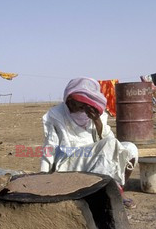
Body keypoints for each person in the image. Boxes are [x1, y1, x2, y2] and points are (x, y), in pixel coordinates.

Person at [40, 77, 138, 206]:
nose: (80, 107)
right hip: (69, 160)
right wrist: (43, 176)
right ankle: (106, 193)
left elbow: (112, 143)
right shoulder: (55, 114)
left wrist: (97, 121)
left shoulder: (97, 114)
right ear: (69, 99)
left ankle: (116, 188)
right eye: (77, 102)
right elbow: (50, 146)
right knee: (109, 146)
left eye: (84, 103)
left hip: (95, 159)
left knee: (130, 149)